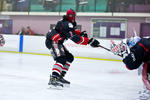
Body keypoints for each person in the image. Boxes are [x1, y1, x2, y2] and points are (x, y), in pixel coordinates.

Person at [45, 9, 100, 88]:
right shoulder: (67, 23)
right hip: (53, 41)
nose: (73, 17)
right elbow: (74, 38)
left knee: (69, 58)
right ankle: (54, 79)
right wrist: (89, 41)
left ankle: (60, 77)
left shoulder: (66, 22)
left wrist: (80, 33)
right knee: (61, 59)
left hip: (57, 41)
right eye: (72, 16)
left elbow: (72, 31)